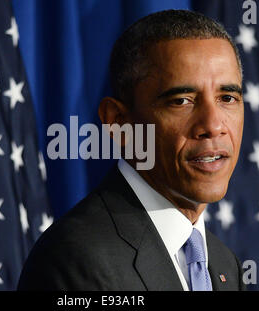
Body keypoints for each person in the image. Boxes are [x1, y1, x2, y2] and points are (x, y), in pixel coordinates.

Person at [18, 9, 246, 291]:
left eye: (227, 97)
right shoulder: (77, 259)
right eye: (182, 101)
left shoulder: (224, 264)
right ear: (119, 122)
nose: (213, 126)